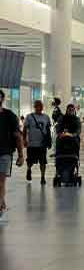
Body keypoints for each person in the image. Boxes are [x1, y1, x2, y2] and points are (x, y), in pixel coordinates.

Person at [0, 90, 25, 225]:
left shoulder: (10, 116)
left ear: (2, 99)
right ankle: (2, 203)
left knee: (1, 182)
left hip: (5, 153)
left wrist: (21, 155)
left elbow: (17, 136)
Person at [23, 100, 51, 185]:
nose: (39, 107)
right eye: (37, 106)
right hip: (32, 144)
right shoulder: (29, 117)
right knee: (30, 161)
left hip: (42, 144)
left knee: (43, 162)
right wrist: (24, 140)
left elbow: (48, 130)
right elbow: (24, 129)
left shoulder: (46, 117)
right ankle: (29, 169)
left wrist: (49, 141)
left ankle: (43, 177)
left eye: (40, 106)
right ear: (35, 107)